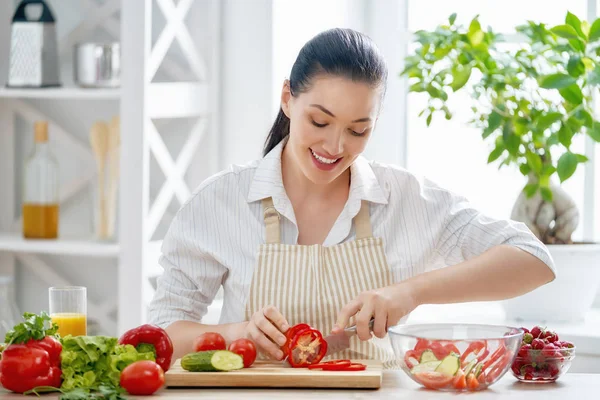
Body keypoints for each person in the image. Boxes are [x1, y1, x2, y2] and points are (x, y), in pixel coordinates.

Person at [148, 28, 555, 368]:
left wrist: (410, 292)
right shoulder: (220, 202)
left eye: (358, 130)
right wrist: (235, 333)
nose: (335, 146)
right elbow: (161, 336)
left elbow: (533, 259)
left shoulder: (406, 198)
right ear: (288, 98)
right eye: (320, 121)